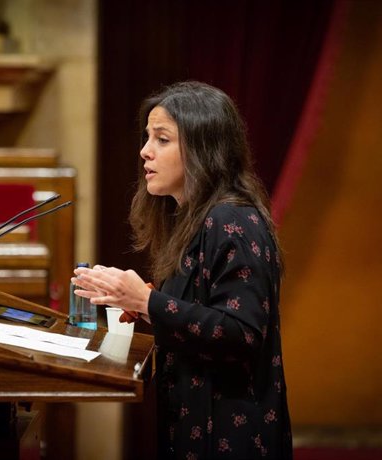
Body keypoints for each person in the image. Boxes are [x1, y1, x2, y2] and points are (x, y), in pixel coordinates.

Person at [72, 81, 292, 459]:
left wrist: (148, 301)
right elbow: (202, 313)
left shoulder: (231, 220)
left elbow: (241, 334)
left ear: (204, 147)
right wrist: (139, 303)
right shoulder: (197, 218)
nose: (144, 152)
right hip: (195, 422)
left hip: (230, 434)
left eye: (162, 139)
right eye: (147, 138)